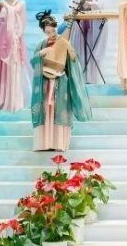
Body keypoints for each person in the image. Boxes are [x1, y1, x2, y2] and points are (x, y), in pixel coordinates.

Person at [29, 10, 92, 152]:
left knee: (60, 110)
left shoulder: (63, 42)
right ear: (44, 32)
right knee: (46, 110)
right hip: (45, 83)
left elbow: (74, 60)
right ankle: (44, 143)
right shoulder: (41, 45)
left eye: (53, 30)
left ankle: (59, 144)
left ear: (56, 27)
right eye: (48, 32)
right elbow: (33, 63)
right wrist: (40, 54)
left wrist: (69, 49)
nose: (51, 34)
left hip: (60, 82)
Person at [68, 0, 107, 83]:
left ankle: (92, 79)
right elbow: (72, 11)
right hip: (80, 27)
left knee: (92, 51)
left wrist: (92, 4)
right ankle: (81, 78)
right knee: (80, 50)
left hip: (93, 28)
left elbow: (102, 11)